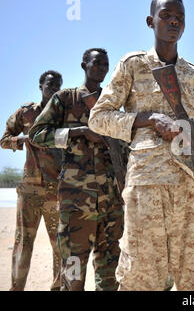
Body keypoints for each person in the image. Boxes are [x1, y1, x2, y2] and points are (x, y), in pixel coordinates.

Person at [88, 0, 194, 291]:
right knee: (142, 277)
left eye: (180, 17)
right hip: (147, 187)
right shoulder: (133, 65)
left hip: (193, 187)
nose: (174, 21)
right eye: (166, 15)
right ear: (151, 21)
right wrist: (147, 118)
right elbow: (99, 117)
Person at [29, 48, 124, 291]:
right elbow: (37, 134)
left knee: (109, 274)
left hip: (110, 205)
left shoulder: (110, 104)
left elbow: (125, 149)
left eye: (105, 64)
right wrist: (78, 132)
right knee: (72, 275)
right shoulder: (65, 99)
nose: (101, 68)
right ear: (84, 65)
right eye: (96, 63)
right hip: (75, 204)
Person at [1, 71, 63, 291]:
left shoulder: (64, 114)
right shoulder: (26, 113)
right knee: (22, 245)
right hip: (29, 192)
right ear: (40, 87)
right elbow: (4, 140)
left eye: (58, 85)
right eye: (49, 85)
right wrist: (23, 139)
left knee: (60, 247)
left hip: (56, 191)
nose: (53, 88)